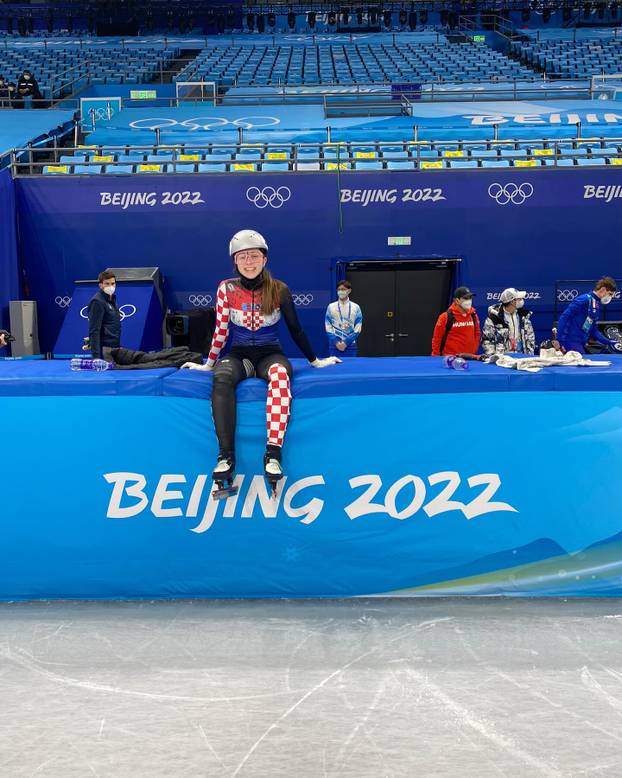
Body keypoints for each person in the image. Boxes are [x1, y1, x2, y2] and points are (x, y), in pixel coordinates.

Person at [182, 229, 340, 495]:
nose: (249, 262)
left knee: (279, 374)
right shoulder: (226, 288)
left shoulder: (279, 289)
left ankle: (273, 455)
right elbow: (221, 330)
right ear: (235, 261)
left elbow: (296, 329)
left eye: (254, 256)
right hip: (240, 355)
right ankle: (225, 456)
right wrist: (208, 364)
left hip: (270, 354)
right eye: (242, 256)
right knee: (222, 376)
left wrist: (315, 361)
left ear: (264, 259)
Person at [556, 276, 621, 354]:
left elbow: (593, 330)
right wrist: (560, 341)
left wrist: (608, 342)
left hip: (580, 342)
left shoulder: (596, 304)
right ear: (603, 289)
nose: (610, 298)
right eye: (610, 294)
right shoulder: (584, 299)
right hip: (571, 341)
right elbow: (564, 318)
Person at [482, 288, 536, 357]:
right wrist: (494, 357)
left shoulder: (523, 316)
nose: (522, 301)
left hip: (522, 357)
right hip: (502, 359)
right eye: (519, 299)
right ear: (512, 301)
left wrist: (529, 356)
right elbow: (487, 340)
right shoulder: (494, 318)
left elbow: (530, 337)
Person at [431, 286, 480, 357]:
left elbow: (477, 334)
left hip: (469, 358)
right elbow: (437, 339)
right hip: (449, 359)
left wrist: (472, 352)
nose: (469, 301)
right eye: (466, 298)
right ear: (457, 301)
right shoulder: (445, 317)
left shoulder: (473, 315)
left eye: (470, 298)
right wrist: (435, 357)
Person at [87, 271, 121, 361]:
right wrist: (96, 358)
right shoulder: (97, 302)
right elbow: (94, 330)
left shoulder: (112, 299)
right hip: (104, 352)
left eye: (113, 283)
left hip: (114, 348)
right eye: (107, 284)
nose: (110, 286)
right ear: (100, 285)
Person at [325, 280, 363, 357]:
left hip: (351, 346)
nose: (340, 291)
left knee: (351, 365)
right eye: (339, 289)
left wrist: (346, 342)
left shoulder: (356, 307)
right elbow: (328, 326)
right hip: (335, 346)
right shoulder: (331, 307)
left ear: (349, 290)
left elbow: (358, 327)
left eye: (343, 289)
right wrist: (336, 342)